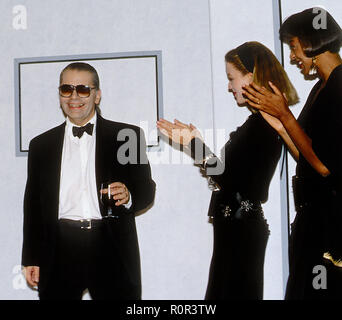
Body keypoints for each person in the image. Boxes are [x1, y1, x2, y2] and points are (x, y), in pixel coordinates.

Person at [157, 41, 298, 299]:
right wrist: (195, 143)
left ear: (251, 76)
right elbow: (230, 173)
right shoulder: (259, 123)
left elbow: (232, 178)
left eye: (231, 78)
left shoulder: (262, 123)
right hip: (237, 228)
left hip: (240, 230)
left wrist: (193, 145)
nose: (229, 86)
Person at [22, 62, 156, 300]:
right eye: (66, 89)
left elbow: (146, 188)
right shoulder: (40, 145)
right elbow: (33, 205)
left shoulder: (129, 136)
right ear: (60, 94)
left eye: (83, 89)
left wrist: (129, 195)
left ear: (97, 95)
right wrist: (31, 257)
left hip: (111, 247)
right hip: (59, 248)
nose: (74, 96)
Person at [242, 8, 342, 299]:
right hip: (312, 222)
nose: (293, 57)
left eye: (294, 47)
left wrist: (285, 116)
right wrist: (278, 122)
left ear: (312, 43)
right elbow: (307, 158)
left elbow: (325, 167)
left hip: (331, 229)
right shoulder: (320, 88)